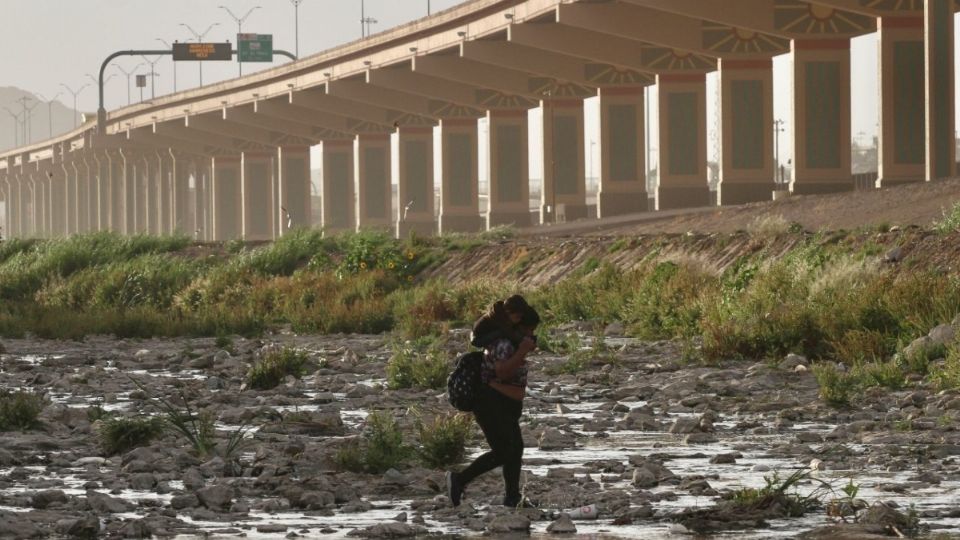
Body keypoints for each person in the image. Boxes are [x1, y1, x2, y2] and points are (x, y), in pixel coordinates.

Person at [448, 299, 540, 508]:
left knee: (515, 449)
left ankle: (512, 497)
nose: (532, 335)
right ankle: (459, 480)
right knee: (503, 451)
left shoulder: (512, 343)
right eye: (529, 329)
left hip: (505, 404)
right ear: (517, 326)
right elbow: (503, 371)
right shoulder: (503, 344)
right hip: (490, 403)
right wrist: (522, 350)